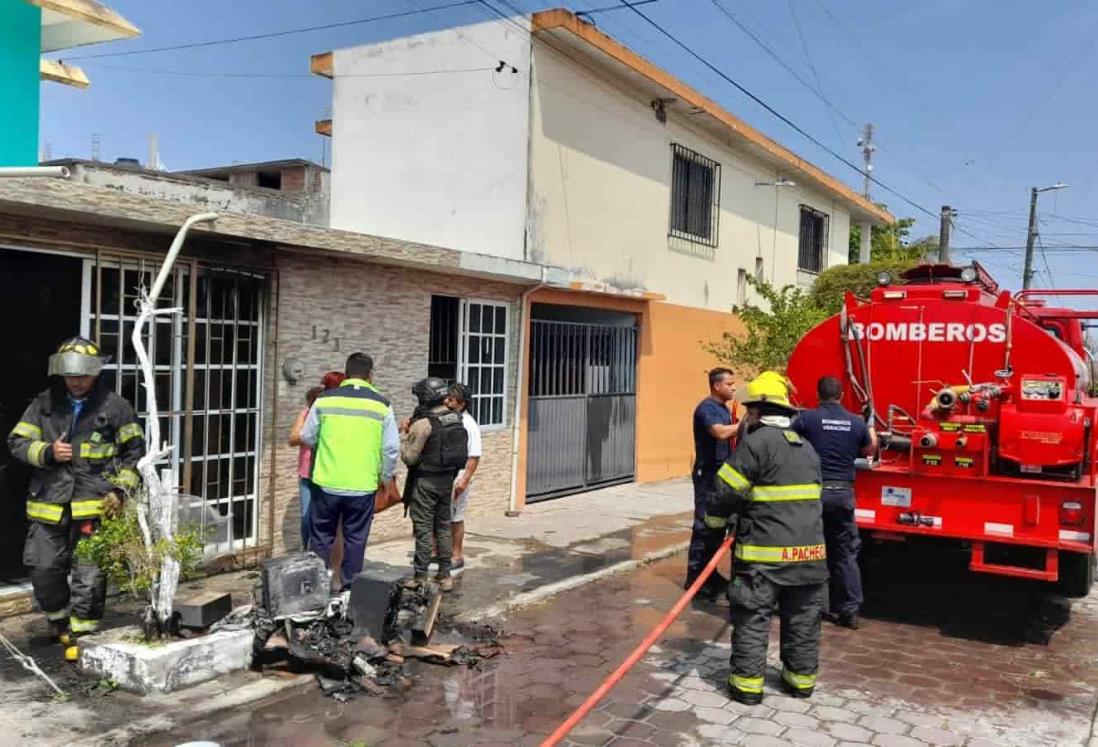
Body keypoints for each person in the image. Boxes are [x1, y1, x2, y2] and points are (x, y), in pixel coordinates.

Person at [6, 337, 145, 661]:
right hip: (48, 504)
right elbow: (16, 442)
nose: (77, 381)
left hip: (95, 506)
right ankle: (58, 621)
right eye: (71, 375)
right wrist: (47, 452)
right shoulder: (43, 404)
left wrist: (119, 491)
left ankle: (82, 634)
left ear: (95, 373)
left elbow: (135, 454)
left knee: (90, 573)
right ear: (61, 374)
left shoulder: (116, 407)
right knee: (43, 567)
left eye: (83, 374)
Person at [704, 371, 826, 705]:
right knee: (803, 619)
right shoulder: (807, 449)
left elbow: (725, 492)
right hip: (810, 557)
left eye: (749, 411)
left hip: (763, 557)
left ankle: (747, 685)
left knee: (752, 617)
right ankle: (800, 681)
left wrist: (714, 525)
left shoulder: (755, 445)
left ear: (756, 411)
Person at [302, 353, 399, 591]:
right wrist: (386, 478)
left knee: (322, 538)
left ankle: (316, 590)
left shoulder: (324, 400)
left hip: (326, 483)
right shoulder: (382, 404)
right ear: (370, 375)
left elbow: (307, 436)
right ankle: (348, 590)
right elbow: (391, 448)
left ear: (346, 373)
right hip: (362, 486)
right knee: (355, 539)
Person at [793, 375, 877, 629]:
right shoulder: (856, 422)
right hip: (843, 495)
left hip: (813, 494)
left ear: (818, 395)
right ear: (841, 395)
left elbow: (788, 445)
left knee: (805, 551)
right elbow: (871, 449)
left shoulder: (806, 419)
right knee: (845, 555)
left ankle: (804, 607)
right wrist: (870, 421)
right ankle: (849, 612)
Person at [400, 377, 468, 592]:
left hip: (426, 481)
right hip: (446, 481)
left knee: (423, 528)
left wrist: (404, 437)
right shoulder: (455, 418)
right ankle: (444, 575)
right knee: (443, 526)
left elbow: (409, 457)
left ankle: (420, 576)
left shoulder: (423, 423)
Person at [686, 367, 739, 601]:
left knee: (717, 527)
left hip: (720, 476)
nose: (733, 388)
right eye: (729, 384)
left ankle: (711, 575)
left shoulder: (723, 409)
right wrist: (746, 424)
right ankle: (695, 579)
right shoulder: (707, 409)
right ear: (717, 386)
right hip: (707, 476)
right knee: (703, 527)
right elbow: (719, 433)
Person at [445, 383, 481, 576]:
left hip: (459, 477)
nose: (447, 401)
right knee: (442, 517)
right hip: (445, 475)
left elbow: (474, 456)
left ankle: (457, 555)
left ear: (462, 403)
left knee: (455, 517)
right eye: (447, 397)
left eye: (452, 398)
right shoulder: (448, 420)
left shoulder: (469, 424)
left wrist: (464, 480)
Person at [289, 385, 325, 551]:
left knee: (323, 517)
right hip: (306, 473)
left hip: (326, 473)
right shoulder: (305, 414)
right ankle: (307, 550)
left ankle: (322, 551)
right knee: (306, 516)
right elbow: (293, 439)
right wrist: (310, 432)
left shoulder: (330, 415)